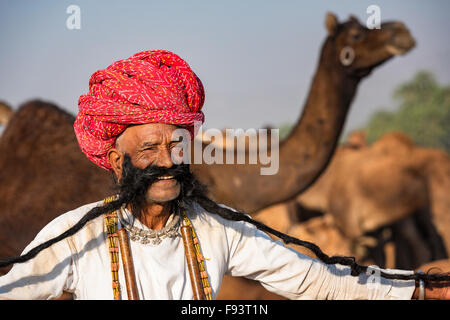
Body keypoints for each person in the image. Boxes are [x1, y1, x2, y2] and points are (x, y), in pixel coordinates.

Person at [0, 50, 448, 300]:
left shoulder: (216, 227)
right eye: (150, 148)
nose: (167, 159)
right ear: (118, 162)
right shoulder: (77, 237)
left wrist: (418, 290)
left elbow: (315, 279)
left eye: (177, 144)